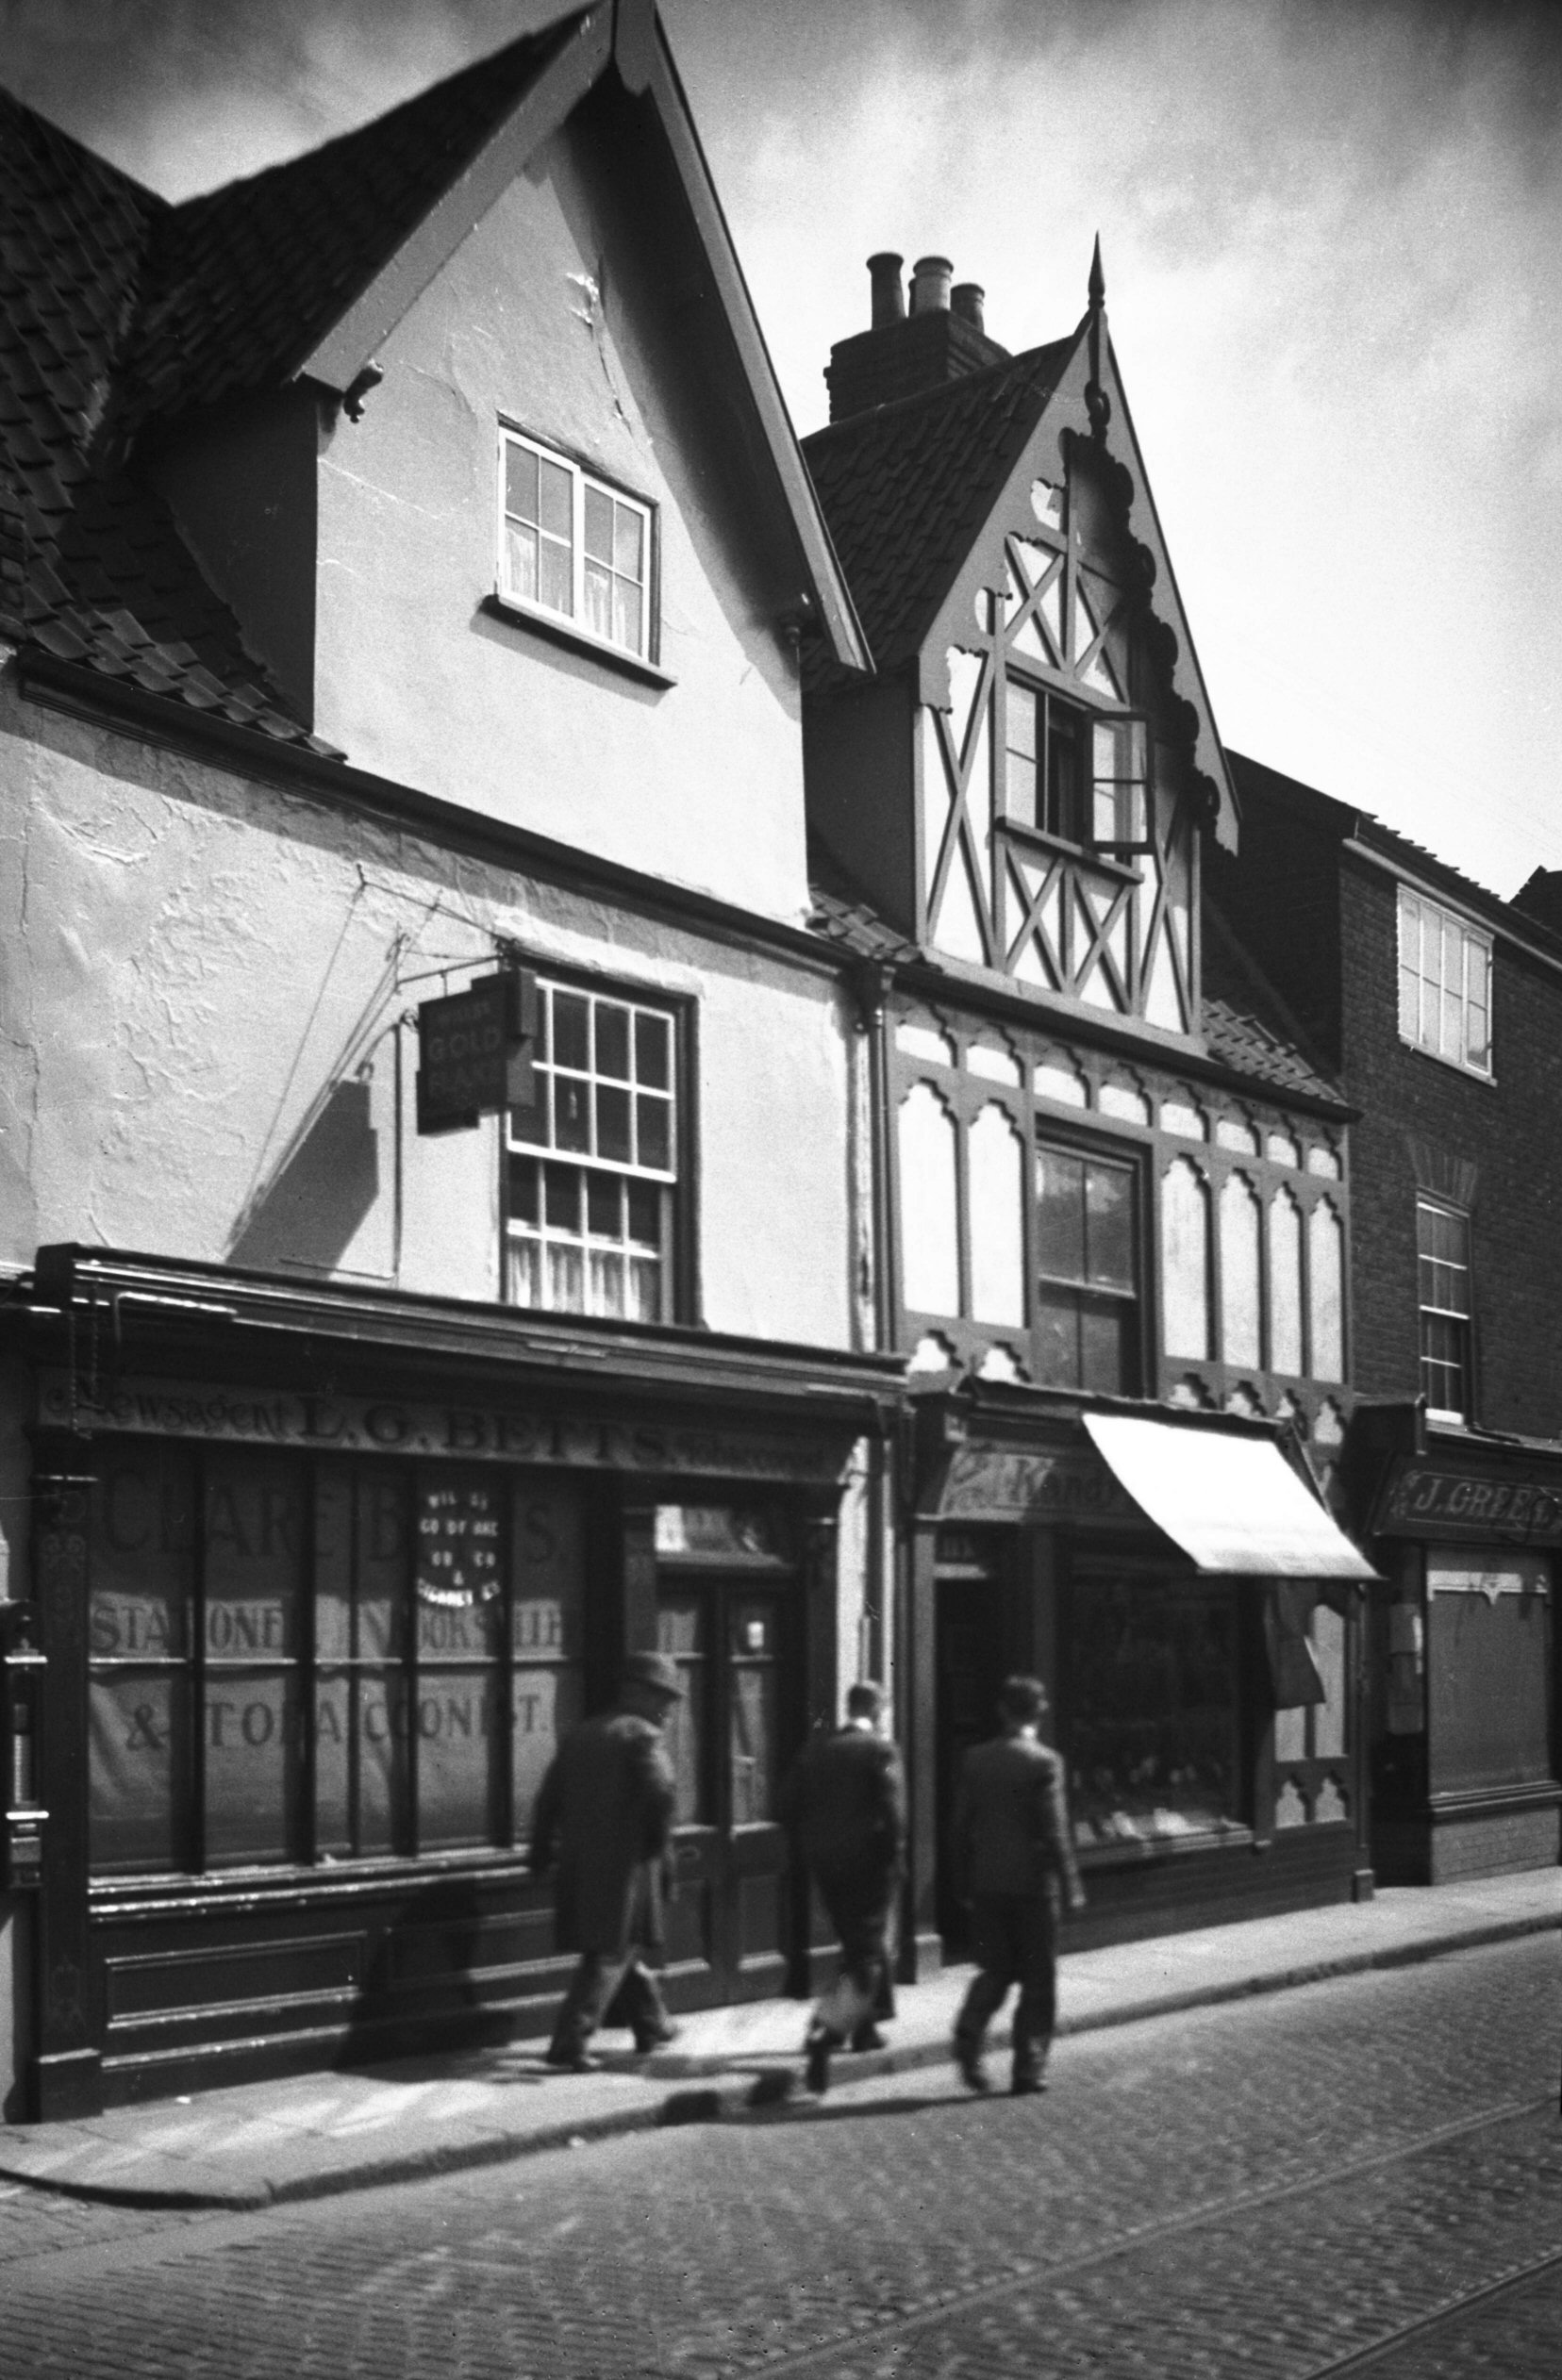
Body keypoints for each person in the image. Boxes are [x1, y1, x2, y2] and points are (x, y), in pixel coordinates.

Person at [530, 1648, 685, 2072]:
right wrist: (659, 1849)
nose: (670, 1708)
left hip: (582, 1864)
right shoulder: (642, 1737)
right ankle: (570, 2041)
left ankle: (654, 2024)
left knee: (619, 1946)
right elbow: (663, 1798)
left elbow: (549, 1797)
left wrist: (540, 1848)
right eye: (664, 1697)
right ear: (640, 1693)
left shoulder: (584, 1732)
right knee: (611, 1951)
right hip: (628, 1866)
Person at [950, 1674, 1085, 2097]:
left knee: (995, 1970)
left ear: (1002, 1711)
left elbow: (959, 1827)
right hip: (1033, 1888)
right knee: (1038, 1979)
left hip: (988, 1884)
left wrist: (961, 1882)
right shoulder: (1044, 1762)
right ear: (1039, 1713)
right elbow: (1055, 1830)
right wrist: (1071, 1883)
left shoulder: (975, 1759)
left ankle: (969, 2036)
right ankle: (1029, 2067)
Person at [780, 1679, 906, 2096]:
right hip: (869, 1867)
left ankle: (865, 2030)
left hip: (828, 1867)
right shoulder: (879, 1750)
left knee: (857, 1945)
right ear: (878, 1706)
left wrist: (814, 1845)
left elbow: (787, 1804)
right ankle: (826, 2031)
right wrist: (895, 1857)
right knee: (868, 1952)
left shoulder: (816, 1750)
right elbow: (892, 1813)